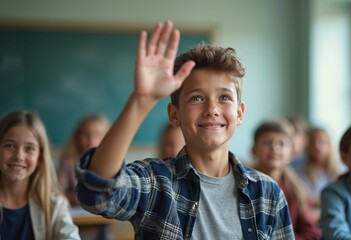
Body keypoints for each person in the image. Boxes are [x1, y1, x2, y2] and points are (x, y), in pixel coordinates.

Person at [75, 20, 294, 239]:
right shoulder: (156, 183)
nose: (212, 109)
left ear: (239, 113)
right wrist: (140, 101)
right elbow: (98, 195)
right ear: (174, 114)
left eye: (224, 97)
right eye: (196, 98)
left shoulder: (267, 193)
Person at [0, 110, 80, 240]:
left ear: (40, 158)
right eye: (9, 146)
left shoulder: (54, 205)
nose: (19, 156)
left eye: (29, 148)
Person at [252, 119, 321, 240]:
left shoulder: (296, 190)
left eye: (282, 144)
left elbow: (312, 233)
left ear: (291, 154)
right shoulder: (243, 184)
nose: (275, 148)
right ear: (254, 150)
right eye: (267, 143)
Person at [57, 114, 109, 206]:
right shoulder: (68, 161)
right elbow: (56, 193)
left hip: (103, 217)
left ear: (108, 137)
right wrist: (75, 198)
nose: (91, 140)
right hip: (78, 216)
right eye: (86, 134)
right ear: (77, 137)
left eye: (97, 135)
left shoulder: (112, 162)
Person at [296, 127, 342, 212]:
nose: (317, 146)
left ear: (329, 144)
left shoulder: (341, 170)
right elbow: (303, 199)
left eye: (322, 142)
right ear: (308, 146)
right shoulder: (300, 172)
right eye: (313, 142)